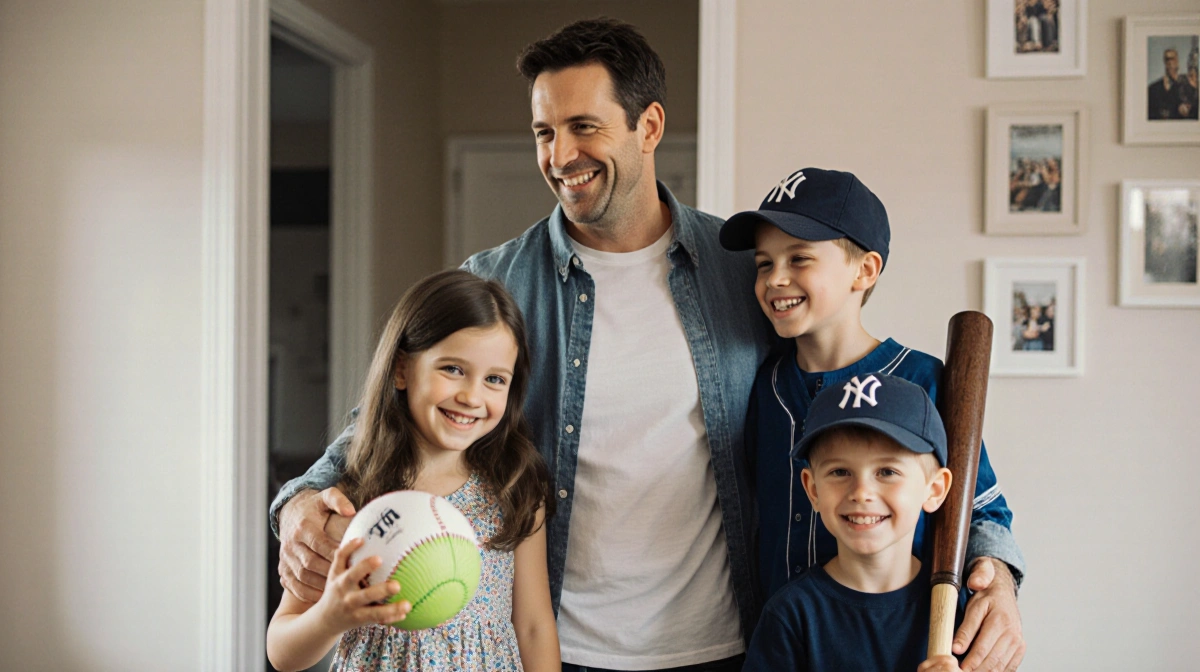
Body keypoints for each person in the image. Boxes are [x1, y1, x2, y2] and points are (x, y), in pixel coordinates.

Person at [271, 19, 771, 672]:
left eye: (584, 127)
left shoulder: (744, 268)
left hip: (722, 647)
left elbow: (841, 397)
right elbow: (385, 421)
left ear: (648, 127)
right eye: (545, 132)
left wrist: (954, 565)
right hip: (561, 648)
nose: (561, 156)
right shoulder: (497, 279)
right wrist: (303, 500)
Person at [720, 167, 1027, 671]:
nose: (775, 278)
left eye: (799, 258)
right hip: (787, 643)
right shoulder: (762, 387)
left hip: (904, 645)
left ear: (864, 271)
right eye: (763, 263)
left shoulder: (923, 381)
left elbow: (983, 511)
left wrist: (998, 581)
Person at [266, 270, 559, 671]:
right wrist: (330, 618)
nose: (472, 396)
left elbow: (533, 627)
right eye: (452, 369)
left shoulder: (516, 489)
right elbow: (281, 651)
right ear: (402, 369)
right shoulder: (352, 499)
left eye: (494, 379)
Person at [742, 374, 965, 671]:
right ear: (812, 489)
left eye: (887, 471)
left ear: (934, 489)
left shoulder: (955, 610)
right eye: (840, 472)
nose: (861, 493)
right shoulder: (793, 616)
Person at [1148, 48, 1184, 120]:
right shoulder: (1153, 89)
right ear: (1164, 62)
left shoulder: (1186, 87)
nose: (1170, 63)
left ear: (1177, 61)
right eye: (1167, 59)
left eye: (1172, 59)